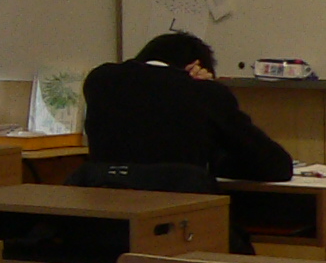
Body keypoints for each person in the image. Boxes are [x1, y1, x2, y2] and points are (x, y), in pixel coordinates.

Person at [77, 32, 294, 192]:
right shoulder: (205, 93)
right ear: (196, 67)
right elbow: (276, 166)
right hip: (178, 222)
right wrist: (205, 86)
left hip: (107, 220)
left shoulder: (99, 81)